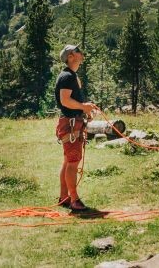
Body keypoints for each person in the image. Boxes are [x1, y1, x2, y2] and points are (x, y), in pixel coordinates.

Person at [55, 44, 97, 213]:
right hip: (71, 125)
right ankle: (74, 200)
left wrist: (84, 109)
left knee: (68, 161)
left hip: (72, 122)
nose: (81, 53)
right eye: (78, 51)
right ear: (71, 56)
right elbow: (65, 100)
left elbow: (70, 101)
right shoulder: (67, 76)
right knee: (73, 162)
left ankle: (64, 197)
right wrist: (83, 106)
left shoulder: (70, 76)